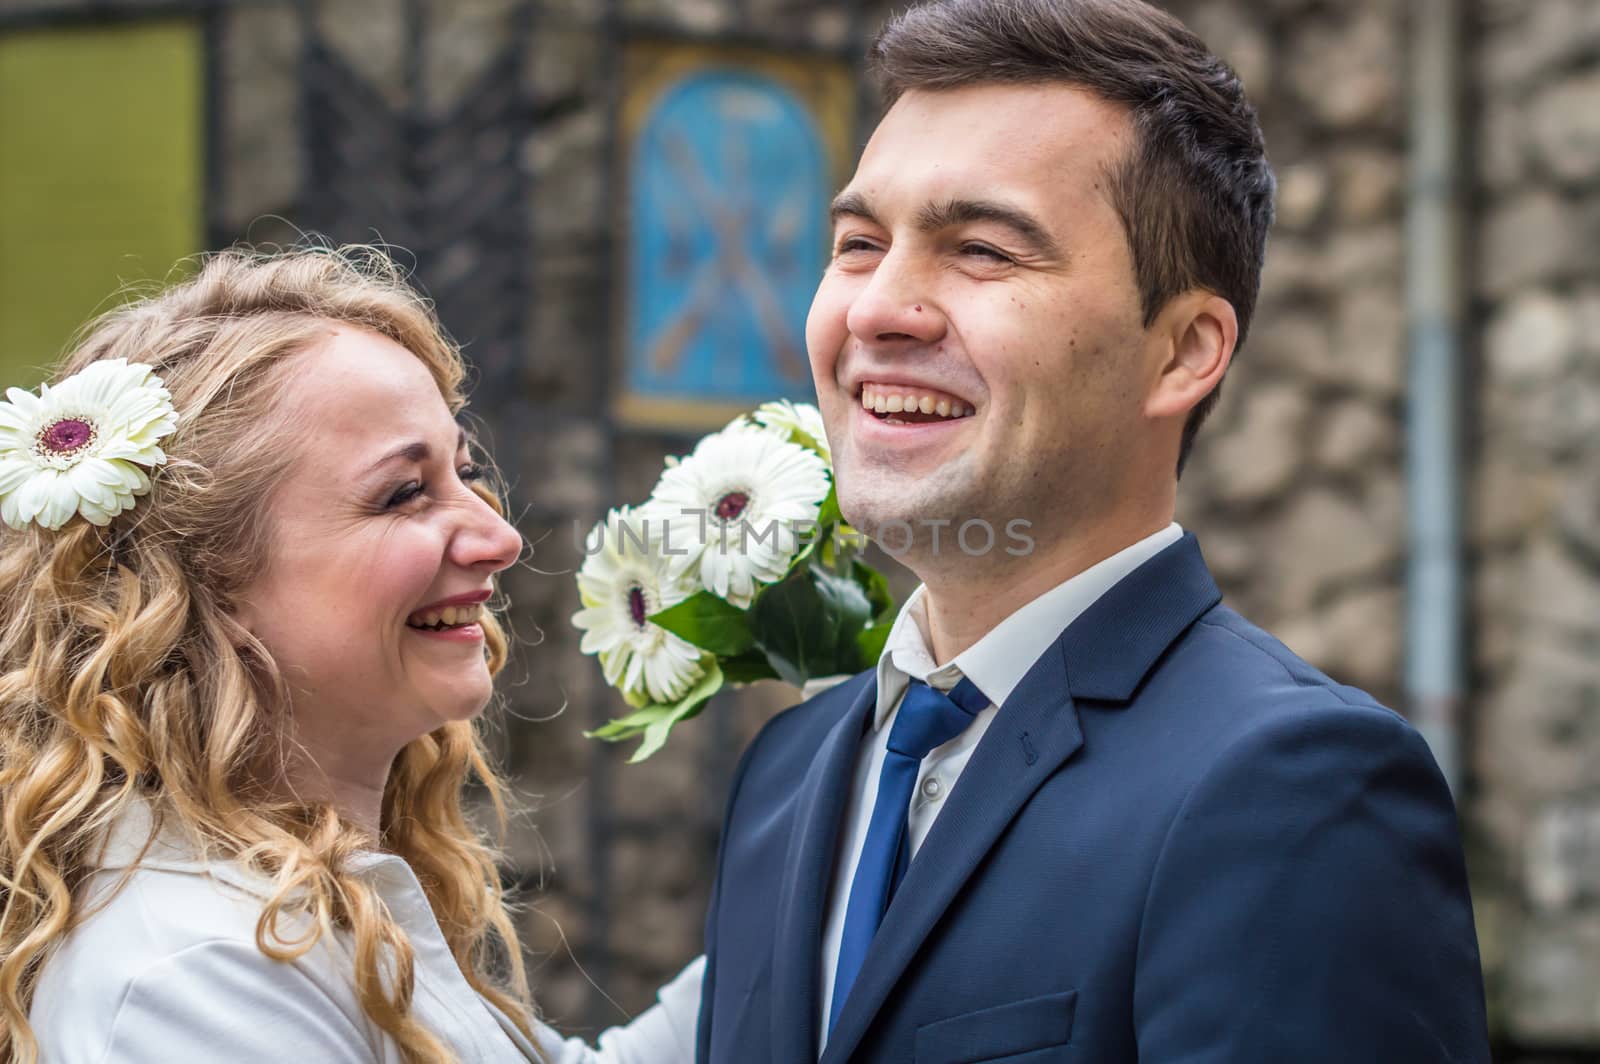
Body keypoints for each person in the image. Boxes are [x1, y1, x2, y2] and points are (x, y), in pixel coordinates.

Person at [688, 0, 1492, 1061]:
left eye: (980, 249)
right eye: (857, 243)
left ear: (1182, 352)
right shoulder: (788, 776)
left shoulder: (1294, 790)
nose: (880, 307)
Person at [0, 246, 696, 1063]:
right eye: (404, 493)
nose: (500, 538)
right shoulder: (194, 978)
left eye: (466, 472)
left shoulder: (293, 897)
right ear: (206, 581)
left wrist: (853, 822)